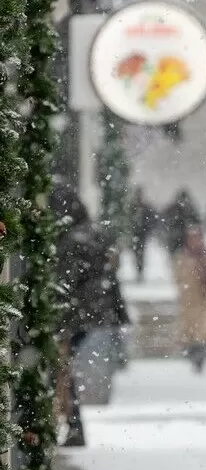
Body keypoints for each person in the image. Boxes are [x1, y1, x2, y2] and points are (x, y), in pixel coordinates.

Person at [51, 184, 131, 447]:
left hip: (77, 316)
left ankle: (72, 425)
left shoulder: (71, 241)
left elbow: (66, 282)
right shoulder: (94, 235)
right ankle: (74, 425)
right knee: (68, 369)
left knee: (63, 369)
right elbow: (108, 276)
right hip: (97, 315)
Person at [172, 223, 206, 373]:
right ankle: (194, 358)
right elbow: (178, 277)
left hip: (204, 300)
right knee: (191, 332)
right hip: (189, 300)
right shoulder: (182, 256)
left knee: (203, 332)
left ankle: (200, 359)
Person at [128, 187, 159, 281]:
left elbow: (152, 219)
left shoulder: (145, 207)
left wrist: (148, 229)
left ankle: (140, 270)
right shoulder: (133, 207)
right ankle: (138, 269)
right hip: (135, 234)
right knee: (137, 253)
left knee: (140, 253)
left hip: (141, 234)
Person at [163, 189, 201, 255]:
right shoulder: (188, 208)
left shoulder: (175, 208)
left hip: (181, 236)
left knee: (179, 255)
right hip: (180, 235)